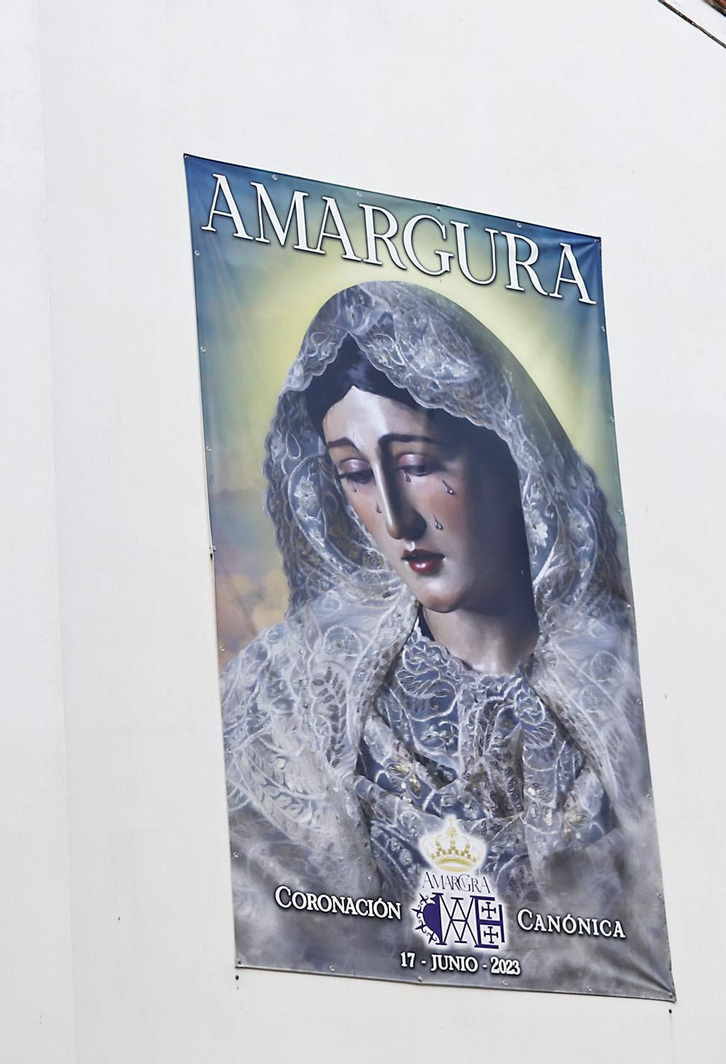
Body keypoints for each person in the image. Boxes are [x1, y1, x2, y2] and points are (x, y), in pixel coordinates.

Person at [221, 280, 671, 995]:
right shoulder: (286, 696)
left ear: (507, 457)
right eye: (356, 475)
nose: (395, 518)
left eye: (417, 466)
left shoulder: (633, 685)